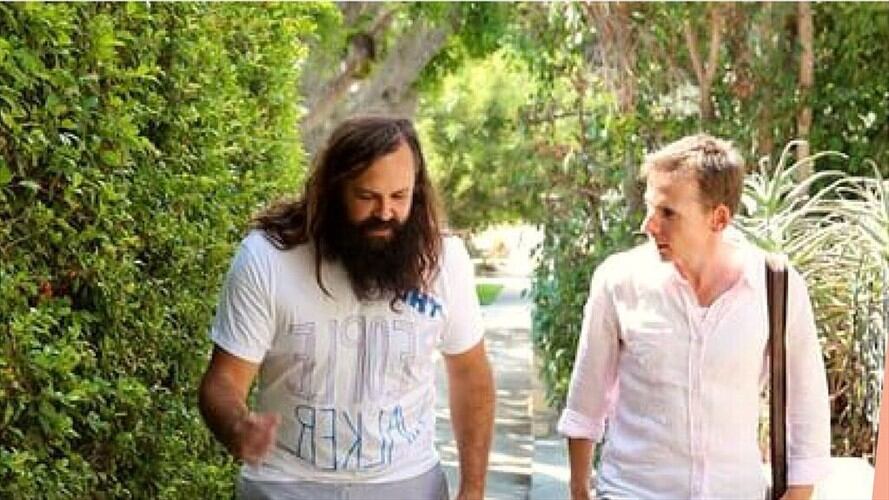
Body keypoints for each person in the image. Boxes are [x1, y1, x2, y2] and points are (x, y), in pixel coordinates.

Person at [198, 115, 494, 500]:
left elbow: (471, 376)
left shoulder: (444, 260)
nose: (385, 213)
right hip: (285, 486)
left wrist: (473, 490)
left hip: (407, 484)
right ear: (334, 191)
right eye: (368, 197)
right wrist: (237, 426)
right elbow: (222, 382)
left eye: (399, 197)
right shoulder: (267, 258)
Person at [558, 134, 831, 500]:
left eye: (668, 213)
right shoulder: (619, 281)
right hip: (632, 492)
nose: (649, 225)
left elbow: (806, 403)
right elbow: (586, 400)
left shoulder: (776, 286)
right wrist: (579, 489)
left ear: (718, 218)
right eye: (650, 208)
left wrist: (798, 494)